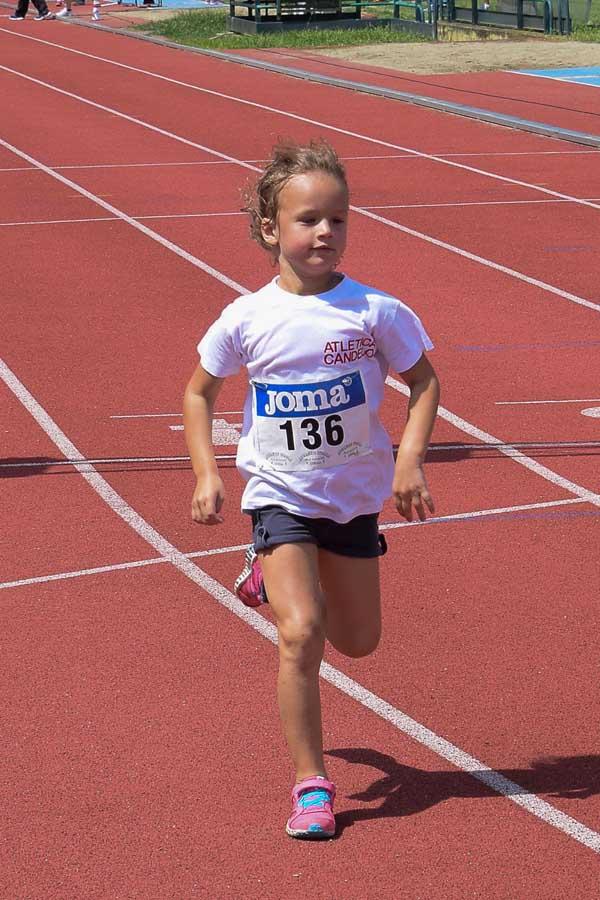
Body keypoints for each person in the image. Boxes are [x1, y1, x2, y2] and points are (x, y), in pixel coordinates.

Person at [183, 140, 440, 839]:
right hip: (278, 494)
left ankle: (265, 576)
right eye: (307, 220)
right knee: (303, 634)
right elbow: (199, 394)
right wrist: (209, 472)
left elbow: (422, 382)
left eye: (338, 219)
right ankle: (311, 785)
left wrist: (408, 460)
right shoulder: (246, 318)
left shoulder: (375, 312)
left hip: (352, 498)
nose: (325, 232)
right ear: (272, 229)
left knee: (359, 641)